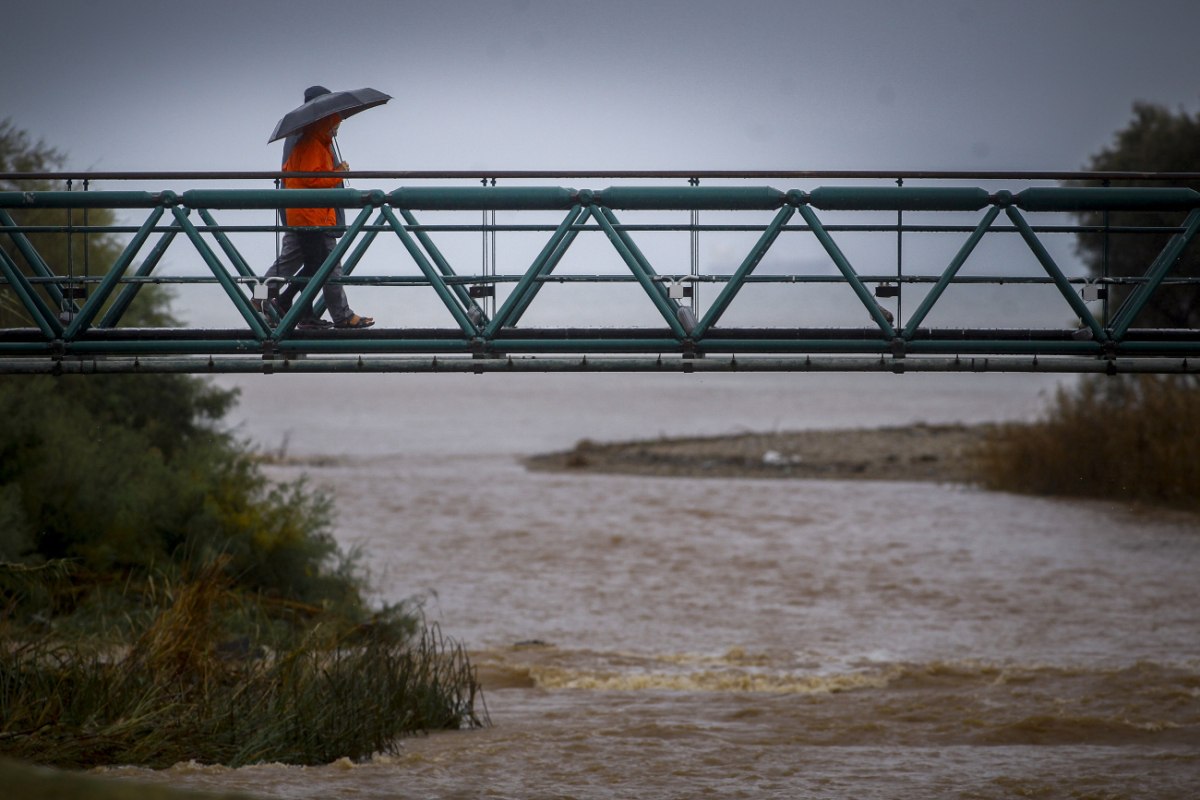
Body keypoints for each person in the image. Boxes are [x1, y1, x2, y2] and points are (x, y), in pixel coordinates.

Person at [259, 85, 374, 330]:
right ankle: (273, 303)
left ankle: (287, 309)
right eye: (335, 120)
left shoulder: (306, 136)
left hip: (302, 212)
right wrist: (337, 174)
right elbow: (311, 178)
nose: (338, 124)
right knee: (321, 266)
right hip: (311, 215)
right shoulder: (310, 140)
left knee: (294, 263)